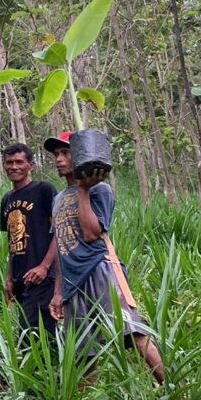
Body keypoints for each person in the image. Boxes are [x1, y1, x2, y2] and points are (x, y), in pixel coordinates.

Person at [44, 131, 164, 383]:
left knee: (132, 332)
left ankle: (172, 388)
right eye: (56, 154)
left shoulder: (101, 190)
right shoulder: (58, 199)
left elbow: (90, 234)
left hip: (100, 270)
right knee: (83, 347)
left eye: (65, 153)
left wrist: (83, 190)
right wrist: (58, 291)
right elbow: (61, 244)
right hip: (72, 282)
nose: (59, 159)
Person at [0, 143, 59, 339]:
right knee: (28, 331)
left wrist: (44, 266)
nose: (14, 167)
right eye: (9, 162)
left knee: (36, 336)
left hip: (42, 277)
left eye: (19, 162)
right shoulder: (6, 199)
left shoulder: (44, 190)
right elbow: (12, 242)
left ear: (31, 166)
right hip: (20, 279)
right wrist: (9, 277)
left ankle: (48, 369)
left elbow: (59, 231)